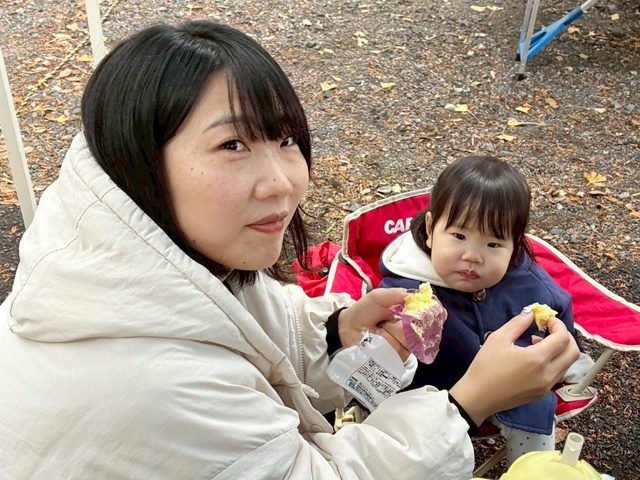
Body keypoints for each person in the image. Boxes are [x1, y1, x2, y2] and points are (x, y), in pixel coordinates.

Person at [0, 22, 579, 479]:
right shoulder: (148, 383)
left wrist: (338, 331)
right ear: (137, 162)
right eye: (232, 144)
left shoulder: (158, 264)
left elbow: (252, 331)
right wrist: (467, 404)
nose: (283, 182)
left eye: (285, 139)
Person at [379, 155, 594, 465]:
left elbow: (556, 308)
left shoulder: (522, 276)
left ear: (515, 244)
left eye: (493, 244)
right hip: (435, 392)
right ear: (431, 228)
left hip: (512, 381)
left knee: (534, 406)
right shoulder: (404, 287)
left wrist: (560, 349)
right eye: (459, 236)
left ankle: (530, 467)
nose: (473, 256)